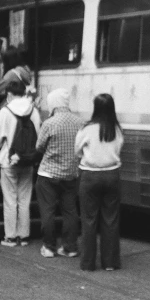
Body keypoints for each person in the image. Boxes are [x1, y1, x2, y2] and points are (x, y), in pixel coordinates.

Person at [75, 93, 124, 271]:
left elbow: (77, 151)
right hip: (112, 175)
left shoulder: (87, 129)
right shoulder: (116, 129)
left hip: (90, 176)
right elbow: (119, 149)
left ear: (95, 108)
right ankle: (110, 262)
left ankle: (88, 263)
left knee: (89, 220)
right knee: (110, 220)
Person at [35, 88, 86, 259]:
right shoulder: (80, 122)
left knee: (47, 212)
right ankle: (70, 248)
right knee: (70, 211)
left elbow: (39, 147)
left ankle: (49, 248)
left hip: (48, 175)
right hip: (71, 174)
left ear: (53, 103)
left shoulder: (49, 123)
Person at [0, 79, 41, 247]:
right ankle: (24, 236)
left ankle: (10, 237)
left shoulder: (5, 112)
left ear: (10, 94)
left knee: (10, 200)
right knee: (25, 199)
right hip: (28, 161)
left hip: (9, 160)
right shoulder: (34, 111)